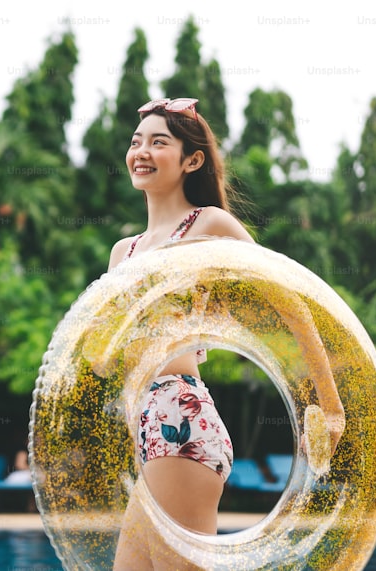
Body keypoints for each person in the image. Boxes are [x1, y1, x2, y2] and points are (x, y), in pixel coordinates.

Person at [109, 98, 345, 570]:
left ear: (191, 160)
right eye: (137, 142)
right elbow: (112, 358)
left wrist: (330, 405)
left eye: (159, 142)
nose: (142, 151)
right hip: (148, 427)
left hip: (182, 418)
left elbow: (292, 307)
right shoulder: (123, 252)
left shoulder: (208, 225)